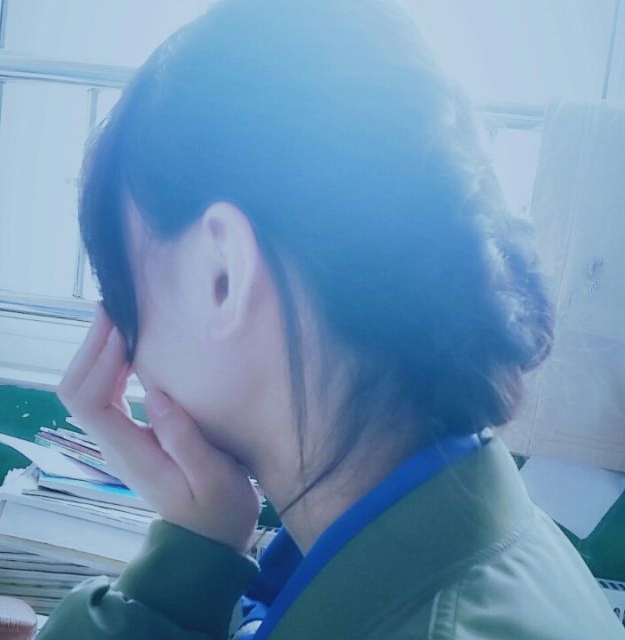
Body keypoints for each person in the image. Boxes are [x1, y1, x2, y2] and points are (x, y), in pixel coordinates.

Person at [38, 1, 624, 638]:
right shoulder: (485, 533)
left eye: (124, 299)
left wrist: (168, 585)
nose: (127, 359)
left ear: (222, 275)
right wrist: (196, 548)